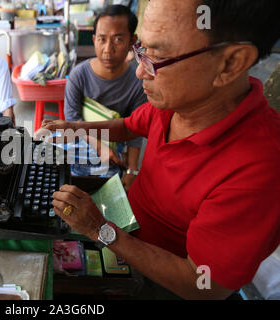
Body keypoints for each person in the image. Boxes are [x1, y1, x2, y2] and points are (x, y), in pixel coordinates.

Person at [39, 0, 280, 299]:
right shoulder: (178, 101)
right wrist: (73, 127)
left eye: (158, 56)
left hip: (164, 284)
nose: (140, 72)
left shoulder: (259, 168)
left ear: (230, 63)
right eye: (142, 49)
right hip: (127, 227)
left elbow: (203, 285)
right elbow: (130, 126)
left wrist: (99, 229)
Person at [64, 5, 146, 188]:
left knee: (107, 183)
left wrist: (133, 170)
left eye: (118, 39)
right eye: (102, 39)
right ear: (94, 40)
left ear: (132, 41)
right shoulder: (78, 75)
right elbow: (72, 119)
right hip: (81, 138)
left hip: (114, 146)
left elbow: (135, 131)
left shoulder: (137, 83)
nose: (108, 49)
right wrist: (99, 146)